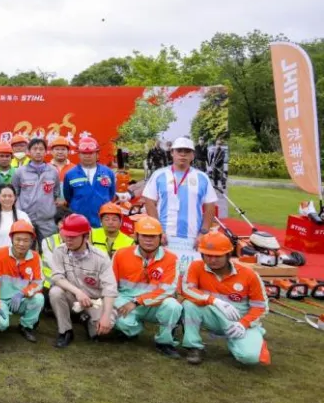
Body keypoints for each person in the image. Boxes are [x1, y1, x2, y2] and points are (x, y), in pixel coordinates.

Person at [180, 232, 270, 366]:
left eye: (217, 256)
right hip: (213, 316)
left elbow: (260, 307)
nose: (212, 260)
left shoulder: (249, 275)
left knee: (250, 358)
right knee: (189, 304)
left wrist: (243, 324)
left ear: (228, 254)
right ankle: (194, 347)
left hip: (240, 321)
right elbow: (187, 290)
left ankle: (245, 340)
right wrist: (214, 301)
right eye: (208, 255)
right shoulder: (196, 267)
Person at [111, 216, 183, 358]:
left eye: (153, 236)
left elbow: (168, 290)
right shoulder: (121, 254)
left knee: (173, 306)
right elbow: (111, 284)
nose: (148, 240)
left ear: (161, 238)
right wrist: (116, 302)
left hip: (154, 303)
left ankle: (165, 342)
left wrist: (137, 301)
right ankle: (132, 329)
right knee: (120, 321)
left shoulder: (171, 258)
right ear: (136, 236)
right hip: (126, 299)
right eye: (144, 236)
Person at [142, 136, 218, 271]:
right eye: (179, 151)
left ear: (193, 155)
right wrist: (158, 231)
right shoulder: (159, 175)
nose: (183, 154)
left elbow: (210, 205)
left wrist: (204, 233)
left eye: (187, 151)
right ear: (172, 152)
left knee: (190, 275)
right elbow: (149, 202)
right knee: (163, 274)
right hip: (165, 236)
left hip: (193, 237)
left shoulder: (202, 177)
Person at [47, 213, 118, 348]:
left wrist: (105, 317)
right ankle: (65, 331)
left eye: (73, 237)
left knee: (100, 331)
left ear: (86, 236)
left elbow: (110, 289)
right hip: (73, 296)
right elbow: (57, 277)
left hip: (95, 301)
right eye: (66, 235)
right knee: (55, 292)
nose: (68, 240)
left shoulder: (101, 257)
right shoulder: (59, 251)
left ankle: (86, 319)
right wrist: (78, 292)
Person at [0, 221, 45, 342]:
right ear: (11, 239)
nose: (21, 244)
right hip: (1, 300)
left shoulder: (35, 257)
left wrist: (22, 293)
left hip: (20, 299)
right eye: (18, 239)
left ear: (31, 241)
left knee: (39, 299)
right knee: (1, 325)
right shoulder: (0, 253)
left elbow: (39, 283)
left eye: (26, 240)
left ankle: (26, 326)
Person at [11, 138, 61, 240]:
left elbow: (56, 193)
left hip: (47, 220)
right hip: (26, 219)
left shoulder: (53, 171)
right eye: (34, 149)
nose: (38, 152)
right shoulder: (20, 172)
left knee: (49, 247)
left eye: (41, 149)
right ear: (28, 152)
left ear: (46, 152)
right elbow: (15, 194)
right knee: (26, 247)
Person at [62, 136, 117, 228]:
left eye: (91, 153)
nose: (87, 156)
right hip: (78, 222)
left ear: (97, 154)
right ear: (78, 155)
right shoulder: (70, 174)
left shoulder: (108, 173)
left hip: (102, 221)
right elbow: (68, 197)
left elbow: (111, 195)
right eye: (84, 153)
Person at [0, 184, 31, 258]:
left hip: (18, 258)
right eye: (4, 196)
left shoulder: (23, 216)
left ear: (15, 197)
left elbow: (28, 237)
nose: (7, 198)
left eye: (10, 196)